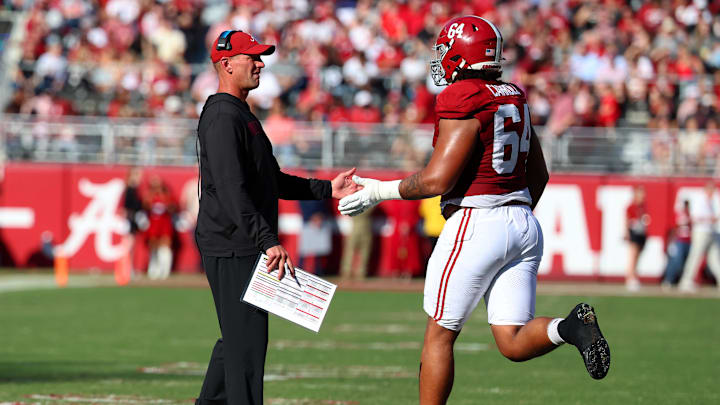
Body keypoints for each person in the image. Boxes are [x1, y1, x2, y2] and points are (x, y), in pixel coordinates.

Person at [338, 16, 610, 405]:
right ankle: (570, 329)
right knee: (512, 341)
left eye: (445, 50)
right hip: (524, 223)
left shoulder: (463, 95)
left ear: (461, 53)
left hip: (477, 221)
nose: (441, 58)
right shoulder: (513, 93)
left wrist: (379, 190)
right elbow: (541, 174)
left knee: (439, 334)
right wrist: (510, 210)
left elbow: (437, 181)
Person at [194, 30, 360, 405]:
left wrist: (326, 190)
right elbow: (232, 188)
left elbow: (270, 180)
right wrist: (266, 239)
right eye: (251, 57)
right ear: (226, 64)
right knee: (247, 345)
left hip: (238, 242)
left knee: (238, 339)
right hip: (232, 244)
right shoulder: (223, 115)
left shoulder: (239, 112)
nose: (260, 63)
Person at [678, 182, 720, 292]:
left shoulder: (711, 202)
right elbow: (695, 217)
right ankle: (686, 281)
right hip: (701, 232)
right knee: (695, 255)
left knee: (714, 258)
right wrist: (710, 219)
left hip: (710, 232)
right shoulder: (699, 200)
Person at [144, 175, 176, 280]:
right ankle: (153, 269)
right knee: (153, 248)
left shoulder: (167, 196)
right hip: (153, 225)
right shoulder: (149, 196)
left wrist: (167, 206)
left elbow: (173, 207)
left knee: (164, 248)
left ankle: (164, 270)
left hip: (164, 225)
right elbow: (145, 206)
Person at [625, 185, 650, 291]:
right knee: (633, 255)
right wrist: (626, 232)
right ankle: (630, 277)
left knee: (638, 256)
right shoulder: (631, 207)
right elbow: (627, 220)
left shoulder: (643, 206)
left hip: (641, 233)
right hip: (634, 232)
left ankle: (634, 276)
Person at [662, 199, 692, 287]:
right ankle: (668, 279)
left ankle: (682, 281)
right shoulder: (678, 215)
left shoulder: (689, 215)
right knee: (676, 262)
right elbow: (673, 228)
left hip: (688, 241)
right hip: (679, 241)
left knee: (686, 263)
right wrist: (671, 242)